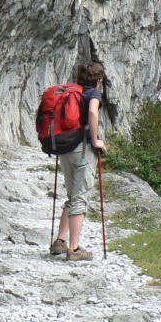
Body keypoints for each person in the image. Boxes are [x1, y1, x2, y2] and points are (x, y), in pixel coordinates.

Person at [50, 62, 107, 261]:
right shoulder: (93, 94)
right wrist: (95, 139)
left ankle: (60, 241)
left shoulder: (71, 92)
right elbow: (93, 112)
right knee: (80, 198)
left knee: (72, 195)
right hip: (82, 149)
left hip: (64, 148)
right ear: (99, 80)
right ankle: (74, 249)